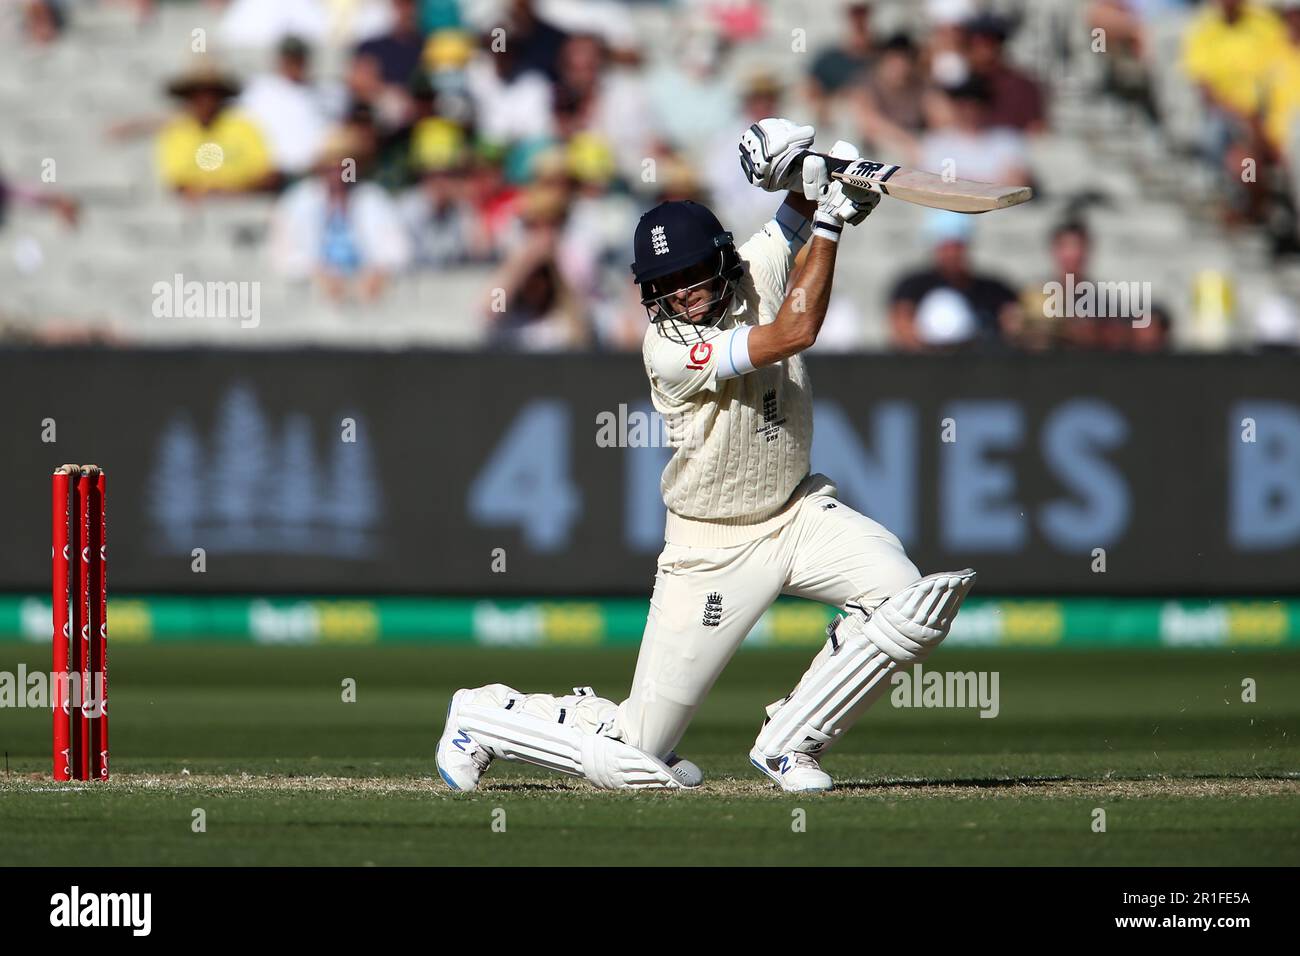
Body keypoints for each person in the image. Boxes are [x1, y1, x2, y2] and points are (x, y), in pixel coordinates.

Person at [436, 118, 977, 793]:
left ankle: (790, 744)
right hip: (712, 546)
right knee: (638, 759)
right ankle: (484, 715)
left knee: (908, 601)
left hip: (799, 511)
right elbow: (796, 330)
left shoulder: (752, 266)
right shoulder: (665, 350)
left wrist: (813, 173)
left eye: (692, 278)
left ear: (721, 261)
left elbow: (792, 219)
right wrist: (834, 221)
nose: (683, 298)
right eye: (665, 286)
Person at [155, 61, 275, 196]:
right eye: (197, 95)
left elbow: (268, 176)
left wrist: (232, 191)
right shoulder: (176, 132)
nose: (205, 102)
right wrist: (212, 191)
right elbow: (178, 184)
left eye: (211, 95)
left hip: (243, 206)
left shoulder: (243, 127)